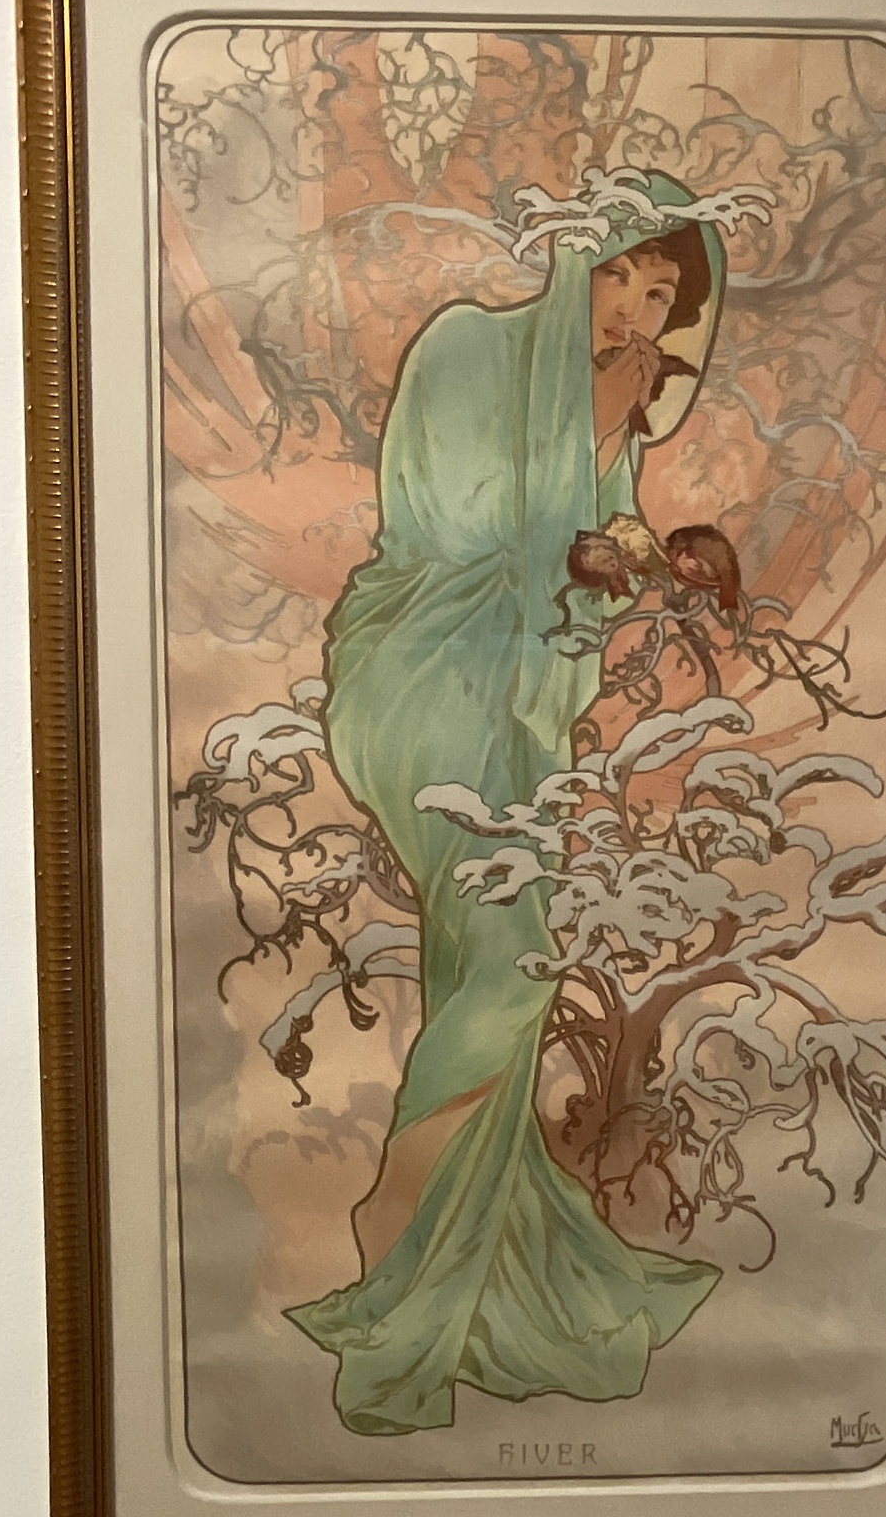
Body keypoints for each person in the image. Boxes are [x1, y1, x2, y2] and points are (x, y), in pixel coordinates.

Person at [285, 170, 728, 1436]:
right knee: (510, 959)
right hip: (419, 670)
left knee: (490, 955)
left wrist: (634, 545)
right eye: (620, 275)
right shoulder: (467, 349)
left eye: (660, 293)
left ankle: (457, 1263)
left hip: (522, 704)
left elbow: (593, 565)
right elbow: (449, 528)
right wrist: (584, 465)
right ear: (575, 262)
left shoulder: (615, 405)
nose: (635, 310)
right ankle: (394, 1235)